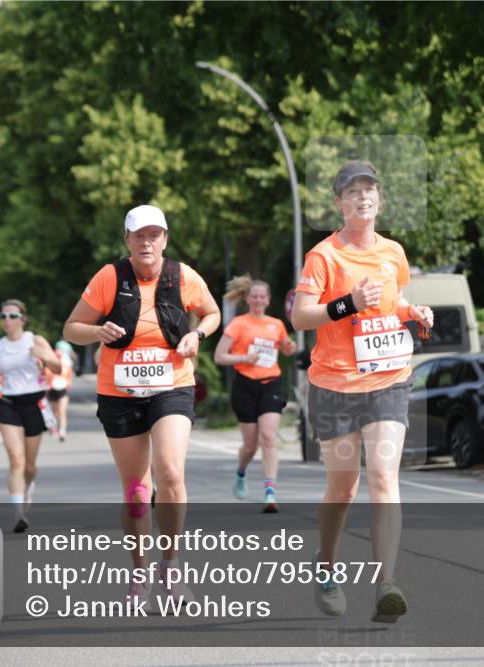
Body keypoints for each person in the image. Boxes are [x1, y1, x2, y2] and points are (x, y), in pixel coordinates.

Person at [291, 160, 434, 623]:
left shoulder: (394, 252)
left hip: (388, 380)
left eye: (369, 189)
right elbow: (301, 317)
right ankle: (327, 566)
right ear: (339, 203)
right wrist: (348, 303)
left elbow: (393, 304)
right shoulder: (323, 257)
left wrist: (415, 313)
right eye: (352, 190)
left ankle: (386, 583)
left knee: (384, 479)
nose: (362, 196)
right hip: (333, 384)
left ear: (380, 199)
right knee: (343, 485)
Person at [63, 204, 220, 605]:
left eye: (154, 235)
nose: (147, 242)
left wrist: (197, 335)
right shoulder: (109, 278)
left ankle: (171, 566)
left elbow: (212, 312)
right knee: (136, 491)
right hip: (120, 393)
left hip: (172, 385)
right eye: (139, 235)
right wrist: (98, 329)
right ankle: (139, 570)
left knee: (169, 470)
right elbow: (71, 329)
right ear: (127, 240)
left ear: (165, 239)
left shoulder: (182, 276)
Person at [214, 275, 295, 512]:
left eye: (263, 296)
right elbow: (219, 356)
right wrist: (243, 358)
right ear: (248, 299)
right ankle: (241, 472)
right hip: (245, 385)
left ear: (268, 300)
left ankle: (270, 493)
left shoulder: (276, 324)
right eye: (254, 296)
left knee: (268, 438)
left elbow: (286, 347)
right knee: (250, 446)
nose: (258, 300)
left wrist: (290, 347)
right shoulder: (238, 324)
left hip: (271, 383)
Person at [0, 299, 62, 533]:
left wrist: (44, 356)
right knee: (15, 458)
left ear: (22, 319)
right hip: (8, 403)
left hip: (34, 403)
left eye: (11, 315)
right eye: (3, 316)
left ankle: (28, 485)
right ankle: (18, 513)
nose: (6, 320)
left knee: (29, 465)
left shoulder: (35, 340)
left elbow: (58, 368)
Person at [44, 341, 75, 441]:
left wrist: (68, 383)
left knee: (62, 411)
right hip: (52, 389)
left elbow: (69, 375)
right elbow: (47, 374)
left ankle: (62, 431)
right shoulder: (51, 363)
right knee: (55, 412)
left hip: (62, 390)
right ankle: (54, 429)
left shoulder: (67, 363)